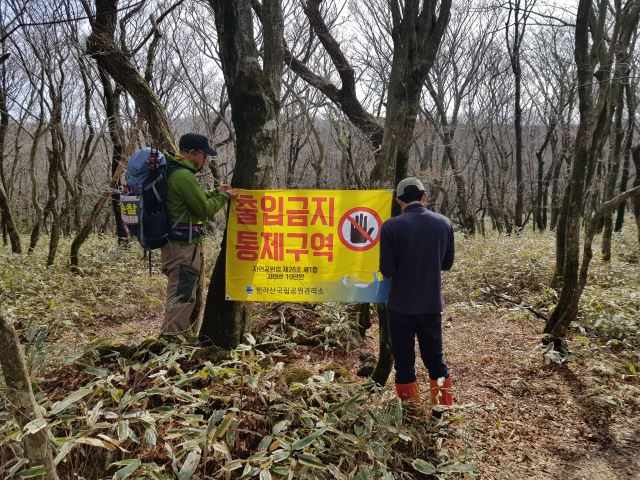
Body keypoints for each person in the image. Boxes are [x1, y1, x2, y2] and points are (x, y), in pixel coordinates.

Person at [379, 177, 455, 414]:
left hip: (400, 306)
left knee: (404, 363)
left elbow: (387, 270)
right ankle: (442, 411)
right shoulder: (444, 223)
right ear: (424, 197)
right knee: (435, 360)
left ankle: (411, 414)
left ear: (399, 200)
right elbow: (447, 264)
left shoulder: (391, 227)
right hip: (430, 304)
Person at [161, 133, 237, 335]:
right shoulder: (183, 176)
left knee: (183, 294)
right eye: (204, 154)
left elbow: (194, 200)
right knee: (181, 296)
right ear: (193, 153)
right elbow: (204, 209)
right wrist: (224, 196)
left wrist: (216, 192)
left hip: (176, 246)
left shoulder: (174, 170)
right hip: (182, 248)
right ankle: (170, 339)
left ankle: (174, 336)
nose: (205, 160)